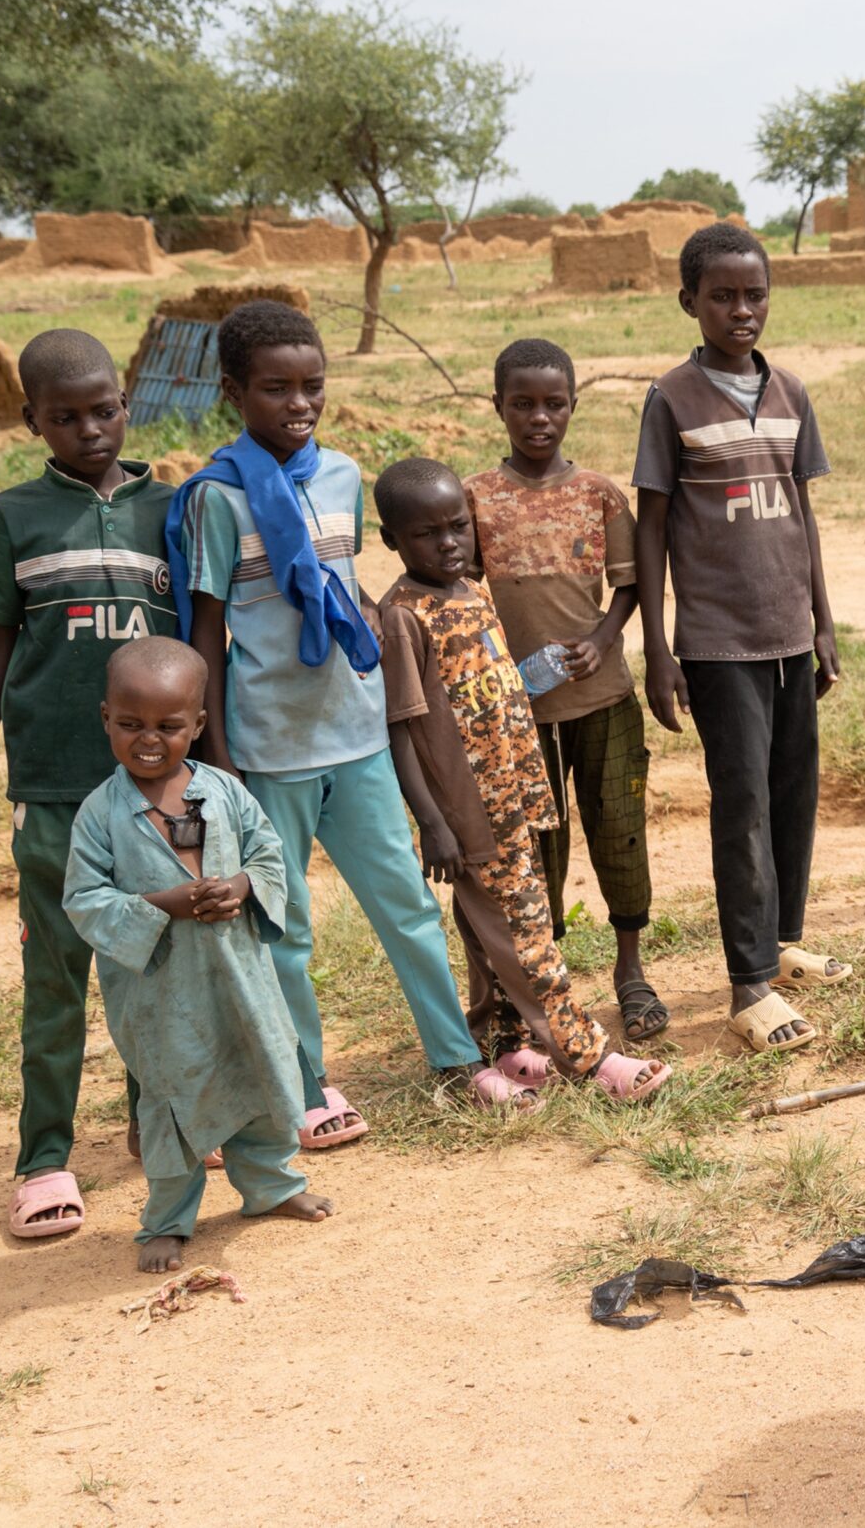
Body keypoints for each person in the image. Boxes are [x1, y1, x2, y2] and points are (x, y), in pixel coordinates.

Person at [166, 299, 491, 1146]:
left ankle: (454, 1055)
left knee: (407, 903)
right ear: (234, 392)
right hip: (268, 748)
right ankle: (305, 1081)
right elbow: (207, 635)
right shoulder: (215, 499)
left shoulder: (343, 475)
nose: (300, 403)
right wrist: (218, 761)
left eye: (313, 385)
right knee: (285, 925)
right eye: (276, 388)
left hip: (358, 734)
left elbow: (345, 589)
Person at [0, 331, 177, 1242]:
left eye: (105, 409)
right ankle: (44, 1156)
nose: (90, 429)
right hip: (49, 790)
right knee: (55, 980)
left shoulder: (173, 509)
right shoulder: (16, 516)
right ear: (30, 420)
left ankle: (157, 1118)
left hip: (154, 793)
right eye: (65, 416)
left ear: (127, 403)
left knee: (153, 965)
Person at [375, 460, 671, 1106]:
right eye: (427, 533)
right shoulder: (402, 616)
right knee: (528, 940)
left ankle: (506, 1045)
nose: (449, 543)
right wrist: (433, 823)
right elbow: (399, 729)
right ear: (391, 539)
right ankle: (592, 1059)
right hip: (470, 814)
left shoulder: (471, 590)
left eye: (459, 526)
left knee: (491, 934)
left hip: (516, 796)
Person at [633, 223, 852, 1054]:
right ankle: (748, 983)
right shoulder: (671, 400)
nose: (741, 309)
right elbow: (651, 527)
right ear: (688, 301)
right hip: (719, 642)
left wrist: (822, 621)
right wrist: (658, 648)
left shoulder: (791, 393)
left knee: (794, 790)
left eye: (754, 294)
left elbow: (803, 514)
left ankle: (783, 941)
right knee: (744, 804)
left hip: (789, 631)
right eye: (721, 296)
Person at [63, 638, 332, 1273]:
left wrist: (239, 886)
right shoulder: (99, 814)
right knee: (172, 1102)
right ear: (106, 718)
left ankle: (272, 1187)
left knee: (258, 1076)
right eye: (131, 724)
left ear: (200, 724)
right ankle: (166, 1220)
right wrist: (166, 904)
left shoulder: (225, 792)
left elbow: (269, 855)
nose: (148, 740)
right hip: (161, 997)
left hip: (240, 979)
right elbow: (84, 900)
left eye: (169, 725)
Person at [466, 339, 665, 1044]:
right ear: (498, 406)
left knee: (620, 829)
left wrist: (603, 639)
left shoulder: (599, 494)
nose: (539, 418)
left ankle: (630, 970)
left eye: (554, 404)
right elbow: (457, 588)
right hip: (516, 714)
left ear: (573, 406)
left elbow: (631, 583)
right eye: (523, 404)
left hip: (602, 699)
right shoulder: (476, 498)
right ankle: (542, 988)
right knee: (533, 849)